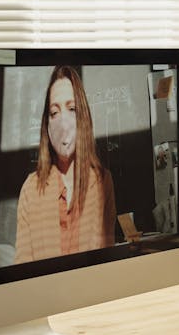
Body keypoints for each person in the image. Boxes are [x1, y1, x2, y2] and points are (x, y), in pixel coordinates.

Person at [14, 65, 116, 261]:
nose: (63, 123)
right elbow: (22, 270)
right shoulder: (30, 189)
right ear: (47, 125)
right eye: (54, 112)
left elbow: (105, 263)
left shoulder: (103, 182)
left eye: (72, 109)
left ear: (83, 118)